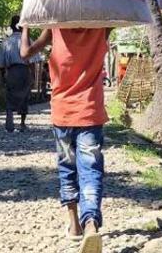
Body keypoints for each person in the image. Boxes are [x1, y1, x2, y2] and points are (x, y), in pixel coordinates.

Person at [20, 26, 111, 253]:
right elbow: (120, 7)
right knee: (91, 170)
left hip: (63, 112)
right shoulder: (102, 26)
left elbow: (25, 53)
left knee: (67, 167)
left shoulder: (54, 27)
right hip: (90, 111)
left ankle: (74, 226)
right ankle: (90, 224)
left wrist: (26, 26)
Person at [0, 15, 36, 132]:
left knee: (10, 95)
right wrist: (32, 75)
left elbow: (1, 63)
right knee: (24, 96)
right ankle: (22, 124)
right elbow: (32, 61)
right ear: (23, 26)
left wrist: (3, 75)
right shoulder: (28, 41)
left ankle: (9, 122)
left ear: (11, 26)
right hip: (24, 71)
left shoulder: (6, 42)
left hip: (12, 72)